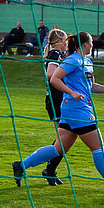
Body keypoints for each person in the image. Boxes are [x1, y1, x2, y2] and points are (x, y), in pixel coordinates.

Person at [13, 31, 104, 197]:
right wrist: (72, 93)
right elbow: (54, 78)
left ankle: (21, 165)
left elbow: (90, 86)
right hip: (78, 109)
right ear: (84, 44)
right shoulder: (72, 60)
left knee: (58, 148)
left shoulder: (87, 62)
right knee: (98, 147)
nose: (92, 45)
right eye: (91, 42)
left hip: (74, 109)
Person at [37, 29, 71, 186]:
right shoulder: (55, 54)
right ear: (59, 42)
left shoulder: (56, 54)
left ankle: (50, 170)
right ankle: (47, 169)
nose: (66, 44)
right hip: (56, 100)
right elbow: (51, 74)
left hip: (56, 100)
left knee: (64, 138)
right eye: (65, 41)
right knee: (63, 139)